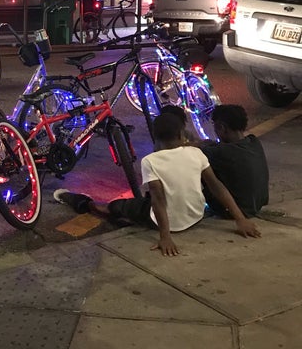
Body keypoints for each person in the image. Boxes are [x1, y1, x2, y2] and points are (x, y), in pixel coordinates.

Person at [54, 112, 261, 256]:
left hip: (168, 223)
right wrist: (239, 219)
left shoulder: (150, 161)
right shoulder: (196, 153)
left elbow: (158, 200)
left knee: (113, 207)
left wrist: (166, 237)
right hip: (196, 216)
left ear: (155, 136)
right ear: (182, 135)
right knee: (145, 201)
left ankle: (77, 200)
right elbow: (217, 186)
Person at [201, 105, 269, 218]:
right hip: (258, 203)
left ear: (222, 127)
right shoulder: (254, 141)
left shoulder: (220, 153)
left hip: (237, 210)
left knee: (198, 163)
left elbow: (198, 152)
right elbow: (220, 147)